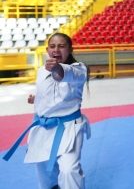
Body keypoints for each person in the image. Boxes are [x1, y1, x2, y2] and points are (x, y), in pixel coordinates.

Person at [3, 33, 91, 189]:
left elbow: (68, 75)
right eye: (52, 46)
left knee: (69, 169)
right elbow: (51, 94)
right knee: (45, 173)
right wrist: (36, 98)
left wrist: (57, 68)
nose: (56, 49)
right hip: (42, 128)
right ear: (47, 49)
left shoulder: (79, 69)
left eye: (61, 46)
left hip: (68, 127)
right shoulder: (41, 71)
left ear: (70, 50)